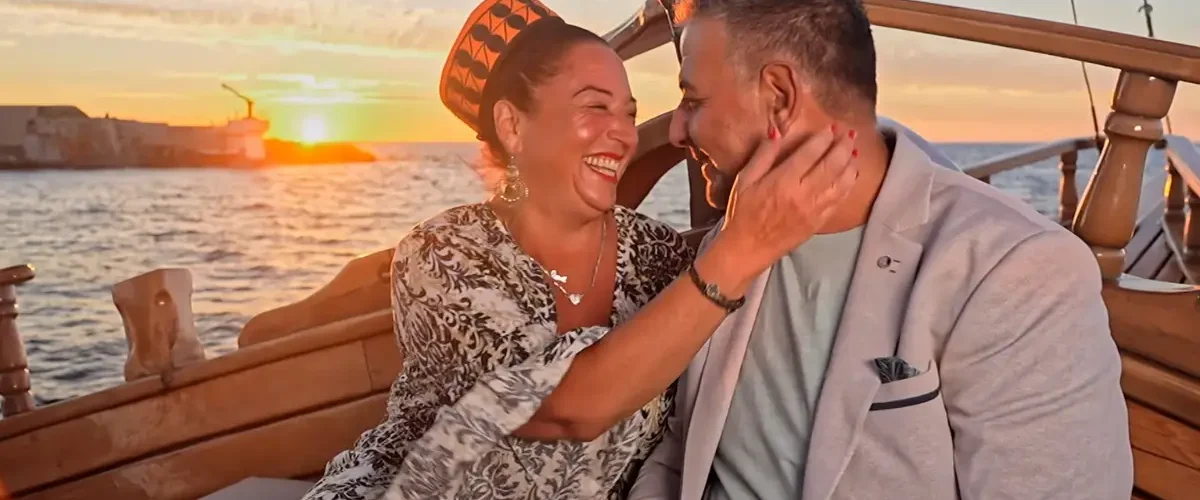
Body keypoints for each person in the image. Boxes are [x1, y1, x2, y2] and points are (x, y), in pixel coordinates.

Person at [300, 0, 859, 499]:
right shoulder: (440, 255)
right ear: (512, 126)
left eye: (630, 114)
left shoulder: (658, 258)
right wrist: (741, 248)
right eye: (595, 108)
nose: (623, 133)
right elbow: (565, 411)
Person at [629, 1, 1133, 499]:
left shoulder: (1014, 268)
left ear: (779, 96)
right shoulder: (731, 247)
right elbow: (680, 452)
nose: (675, 131)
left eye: (693, 101)